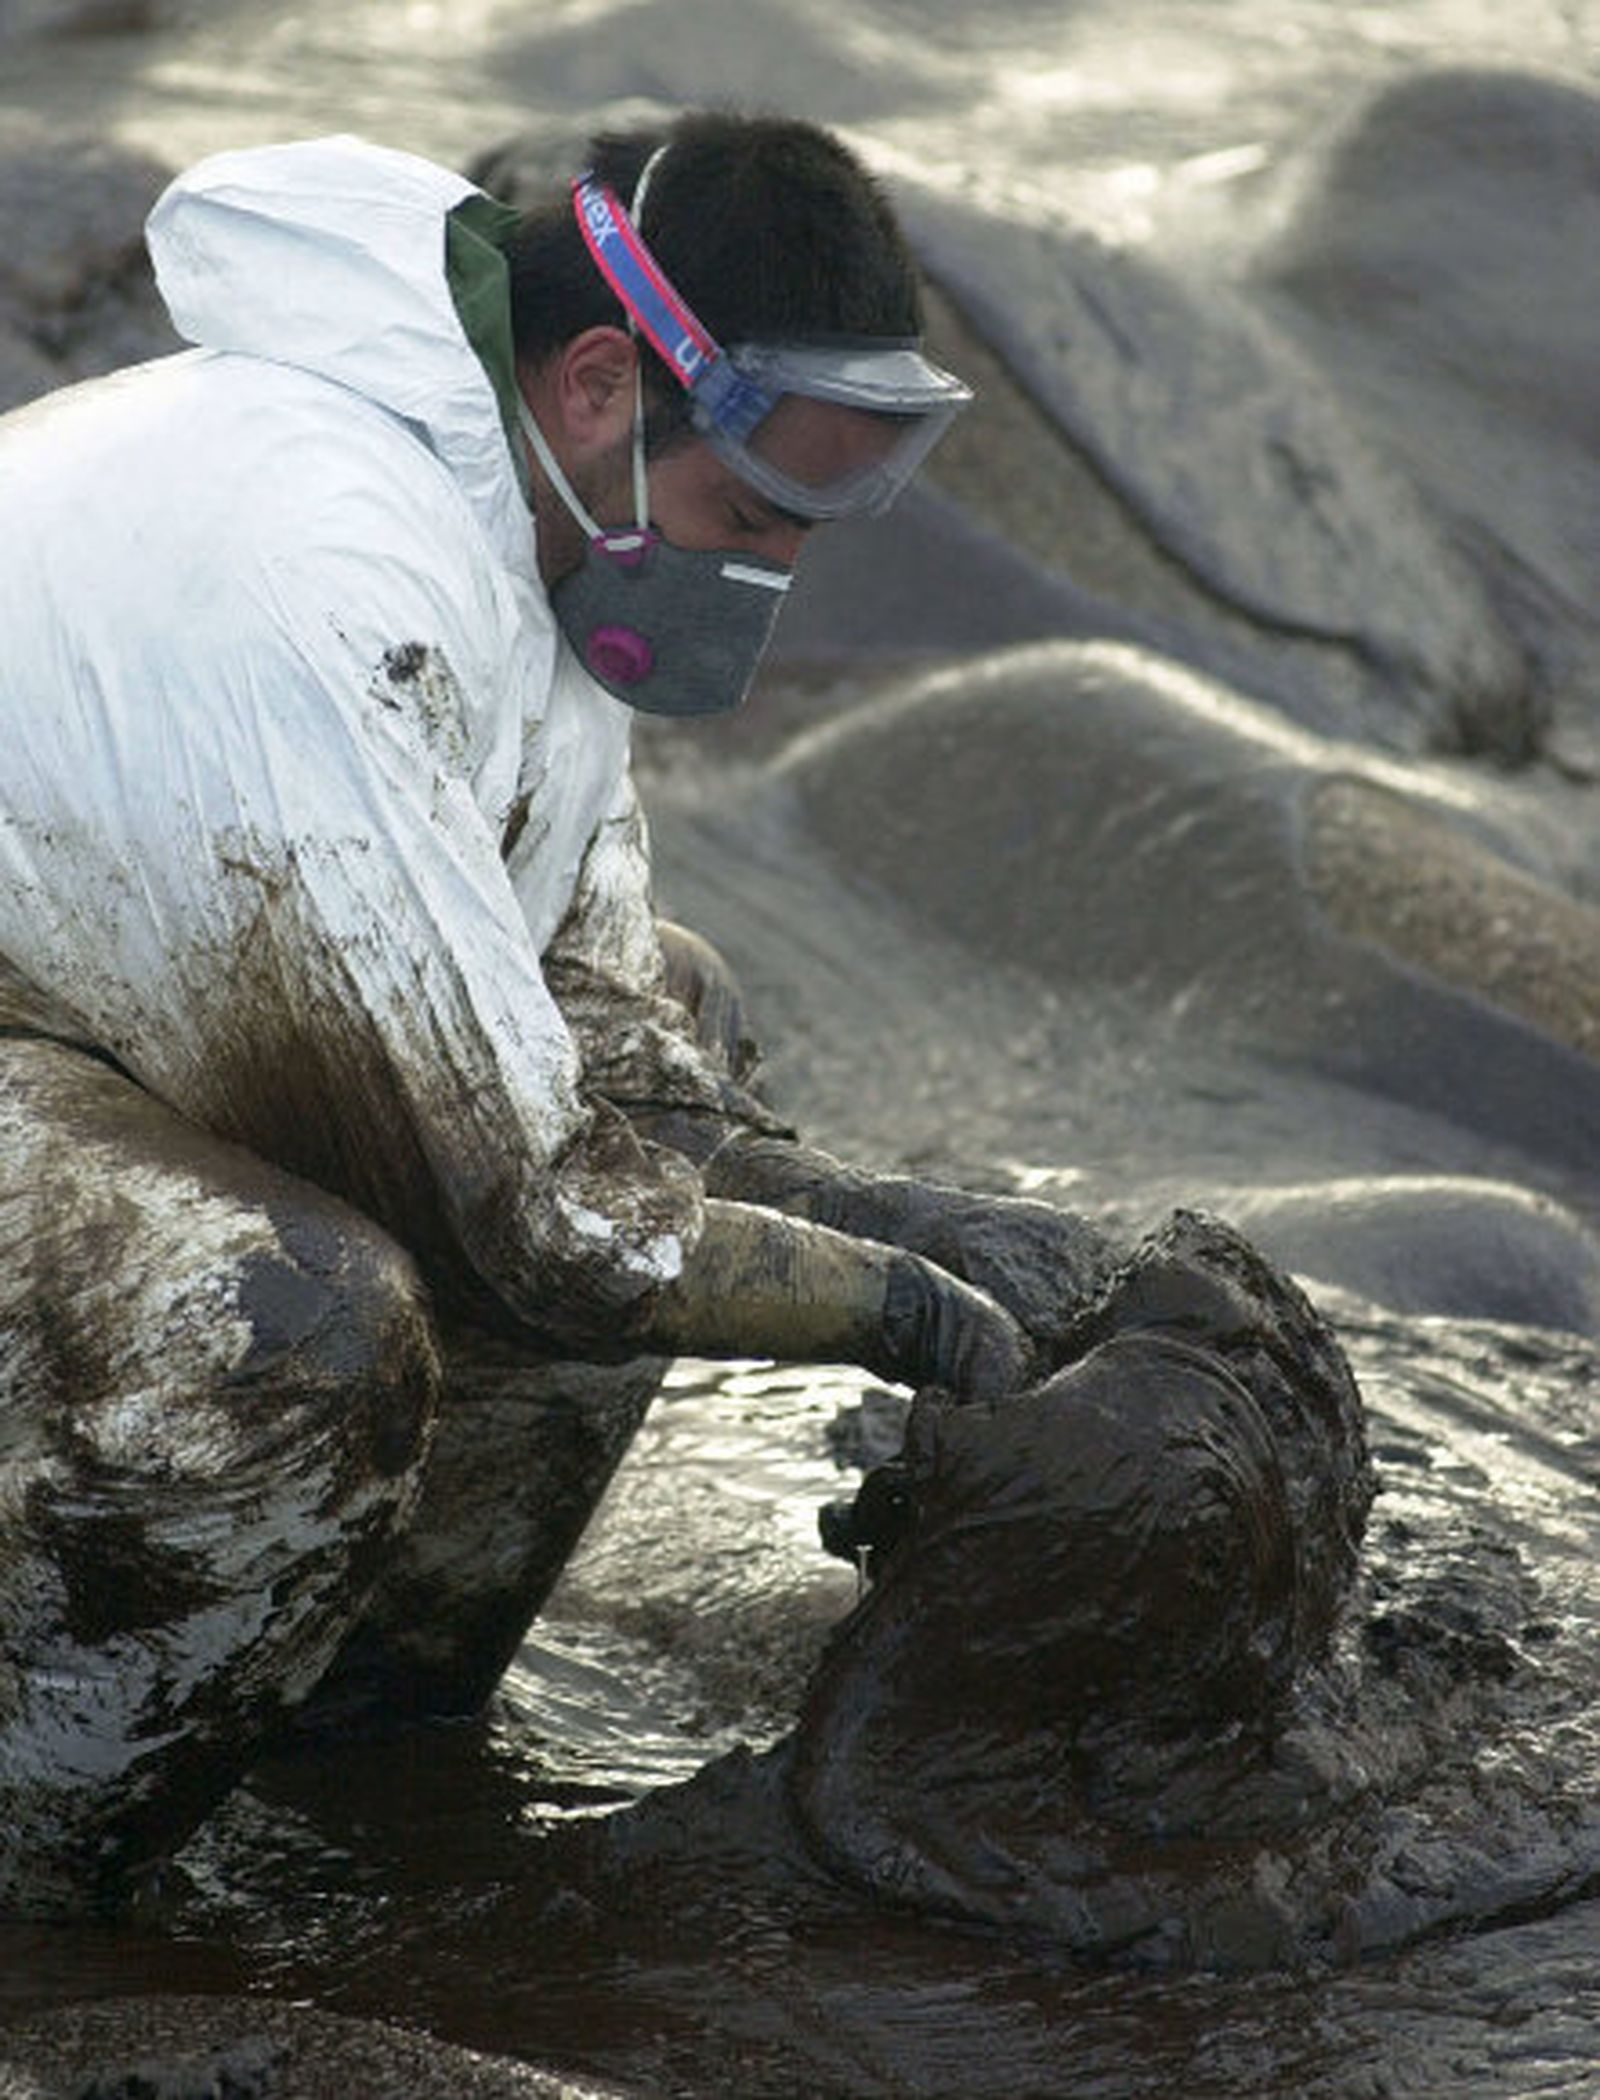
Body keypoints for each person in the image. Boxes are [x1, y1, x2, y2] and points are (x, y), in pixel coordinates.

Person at [0, 110, 1117, 1915]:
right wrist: (914, 1308)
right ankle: (45, 1893)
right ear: (602, 381)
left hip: (97, 1004)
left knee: (687, 997)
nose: (769, 572)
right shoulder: (322, 560)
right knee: (287, 1328)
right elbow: (534, 1214)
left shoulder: (523, 535)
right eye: (751, 514)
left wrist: (932, 1221)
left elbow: (607, 1039)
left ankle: (356, 1724)